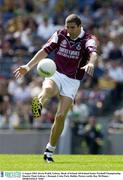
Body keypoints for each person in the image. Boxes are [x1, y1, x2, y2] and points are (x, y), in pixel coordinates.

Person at [14, 14, 98, 162]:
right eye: (67, 27)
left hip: (72, 81)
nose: (69, 30)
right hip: (56, 73)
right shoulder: (60, 34)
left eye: (72, 28)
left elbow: (93, 53)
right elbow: (44, 51)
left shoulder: (88, 39)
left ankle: (49, 151)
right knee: (47, 90)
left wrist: (91, 63)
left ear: (79, 26)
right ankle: (38, 103)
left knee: (60, 117)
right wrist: (28, 66)